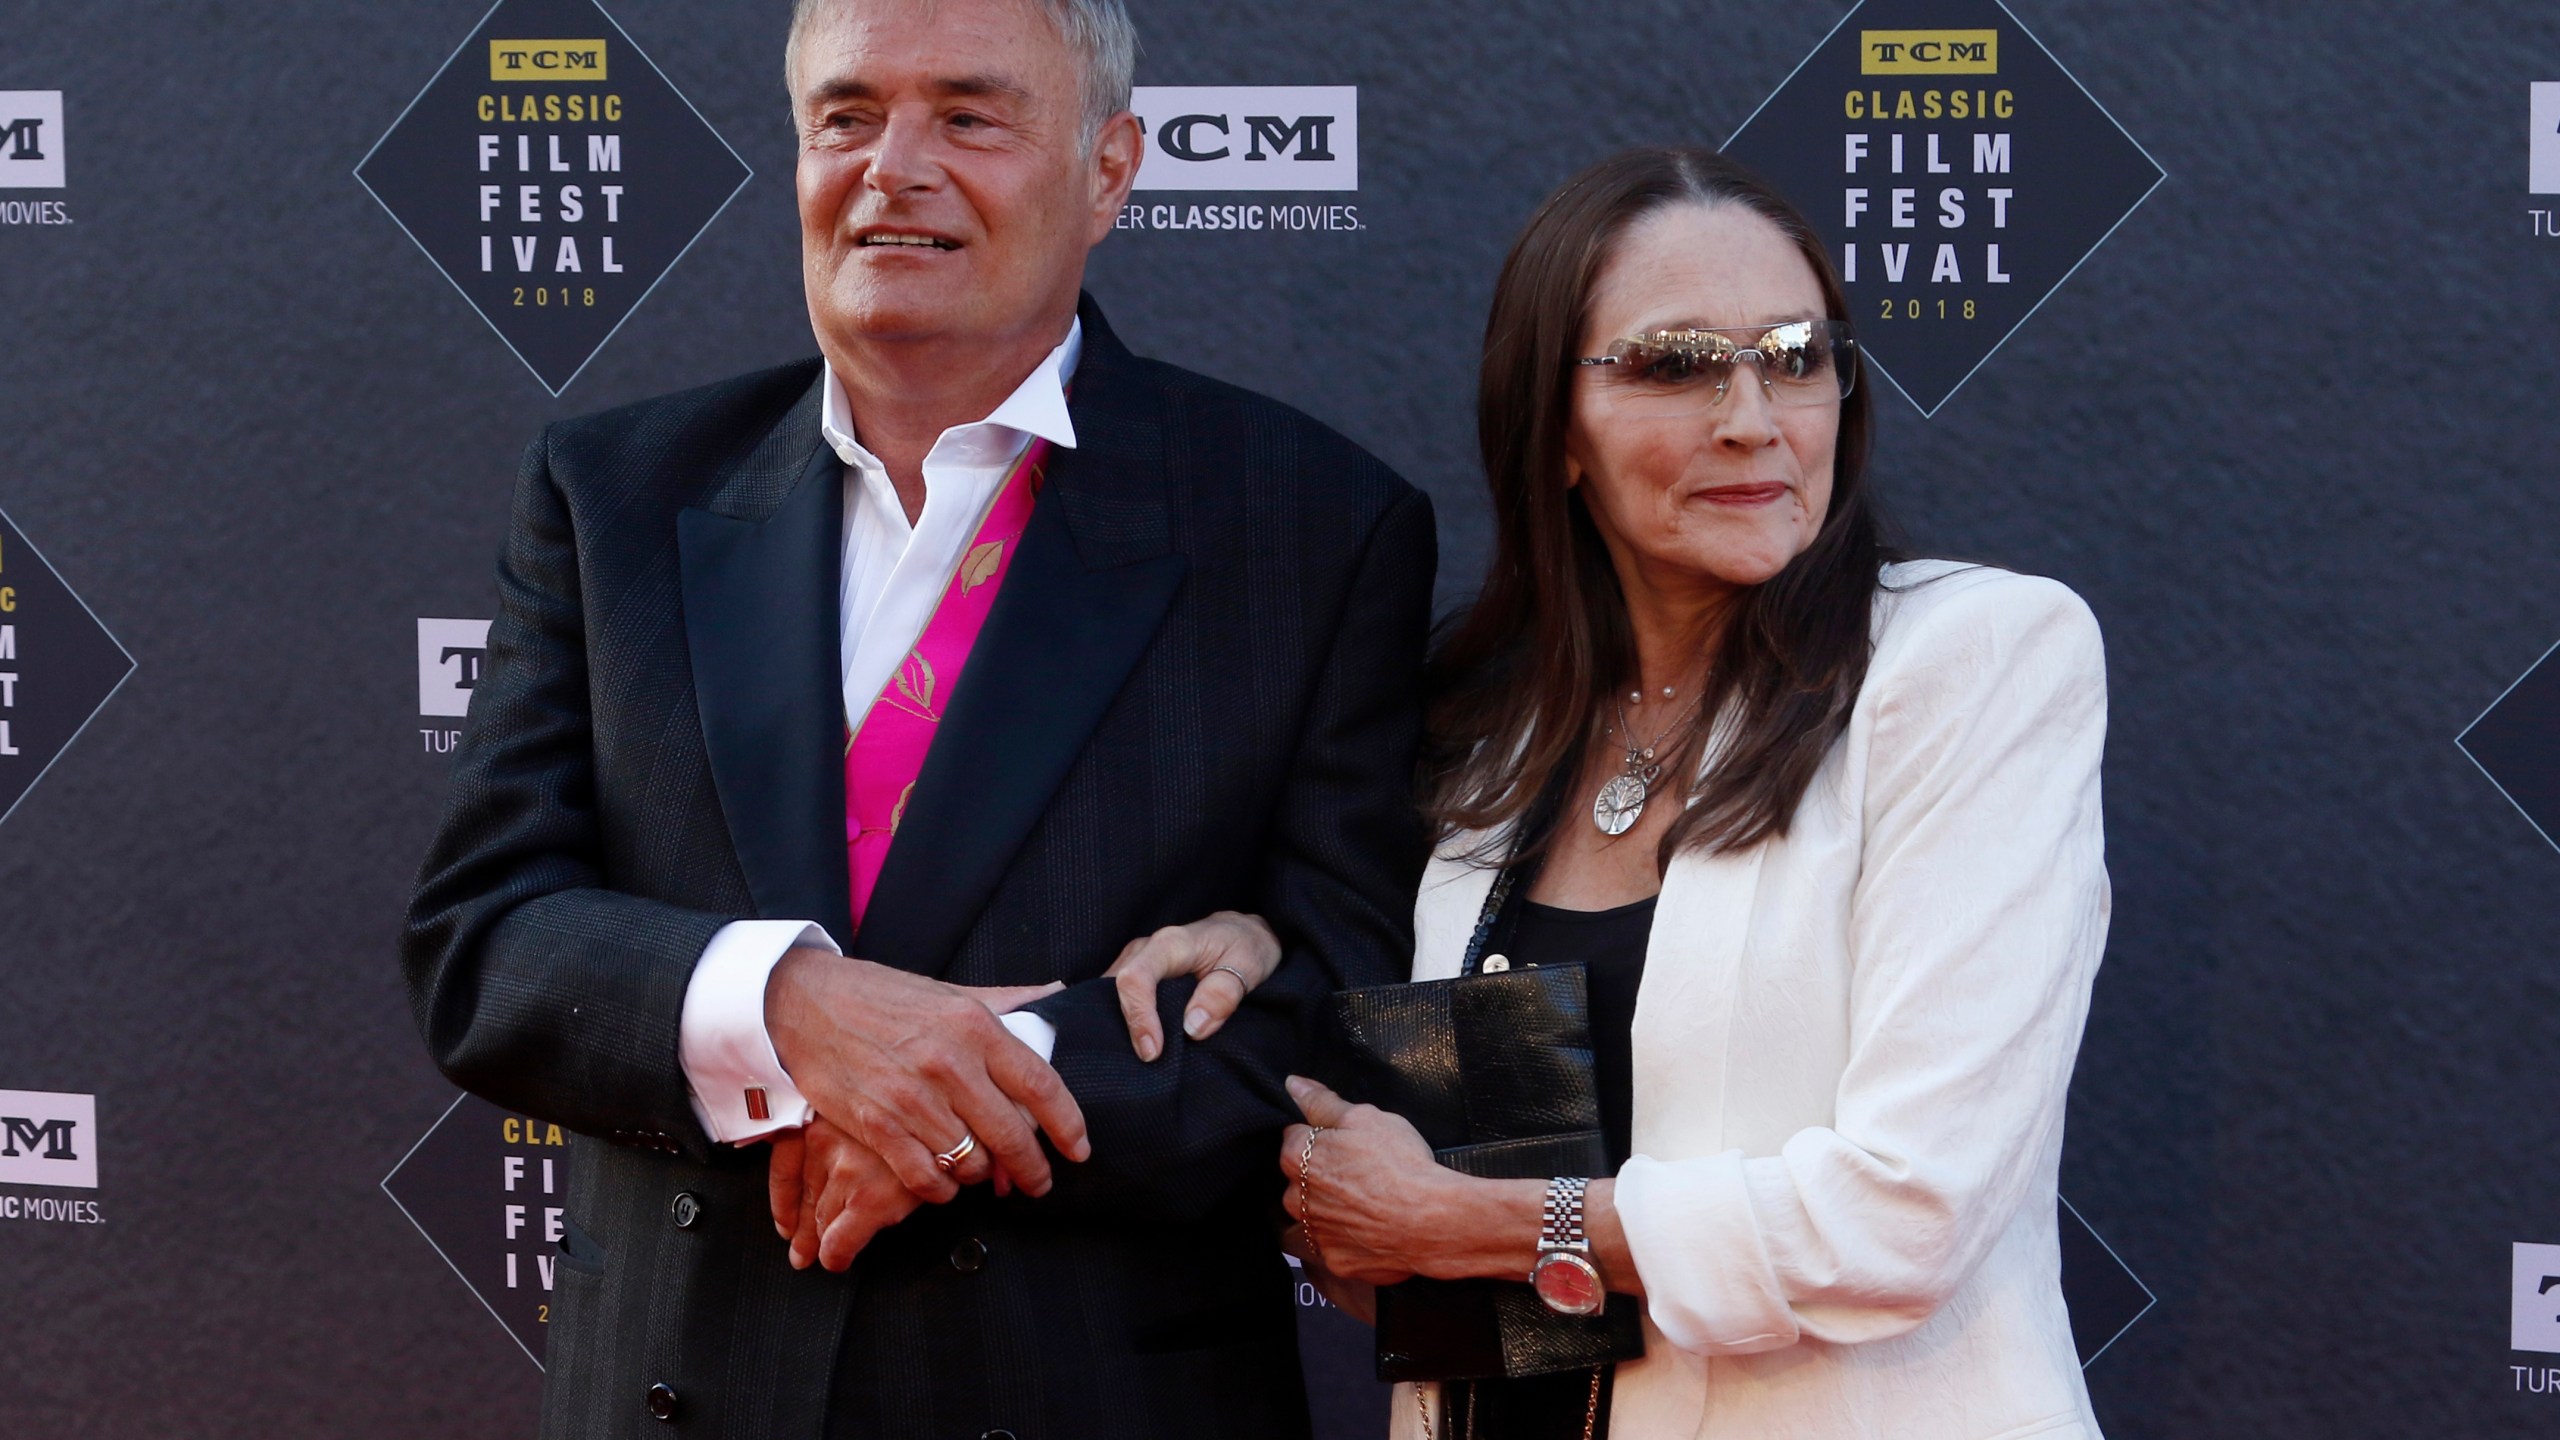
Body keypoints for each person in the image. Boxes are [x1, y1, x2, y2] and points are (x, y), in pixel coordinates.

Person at [399, 0, 1435, 1435]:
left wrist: (953, 1092)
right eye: (846, 116)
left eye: (969, 115)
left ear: (1111, 169)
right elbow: (486, 943)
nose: (895, 164)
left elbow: (1339, 1005)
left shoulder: (1310, 524)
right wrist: (797, 1010)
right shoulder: (612, 495)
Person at [1276, 148, 2112, 1438]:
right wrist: (1375, 1224)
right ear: (1551, 428)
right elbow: (1433, 1229)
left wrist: (1482, 1222)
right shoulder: (1483, 735)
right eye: (1672, 364)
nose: (1751, 418)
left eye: (1794, 355)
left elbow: (1907, 1214)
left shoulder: (1969, 660)